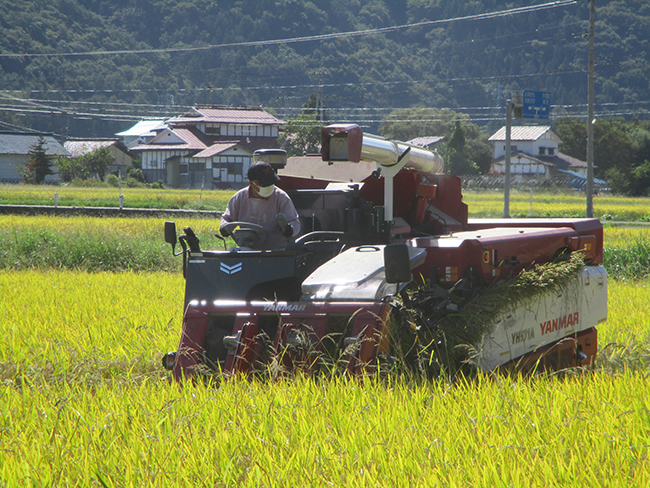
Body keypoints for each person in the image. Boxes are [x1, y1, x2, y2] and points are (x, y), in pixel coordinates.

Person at [220, 161, 300, 250]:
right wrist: (225, 227)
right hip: (246, 250)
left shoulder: (281, 198)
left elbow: (294, 222)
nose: (269, 186)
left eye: (271, 182)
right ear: (252, 183)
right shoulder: (239, 197)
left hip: (276, 253)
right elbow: (227, 219)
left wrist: (290, 229)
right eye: (265, 184)